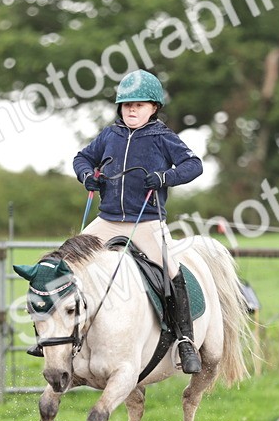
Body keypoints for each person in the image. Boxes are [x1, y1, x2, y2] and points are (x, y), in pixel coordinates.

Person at [29, 69, 204, 373]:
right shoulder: (110, 135)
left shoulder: (163, 137)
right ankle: (53, 334)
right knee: (63, 264)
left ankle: (185, 340)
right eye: (126, 105)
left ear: (153, 107)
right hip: (107, 221)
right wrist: (87, 175)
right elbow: (82, 158)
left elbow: (194, 165)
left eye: (139, 105)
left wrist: (165, 177)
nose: (131, 110)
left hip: (146, 221)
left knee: (170, 270)